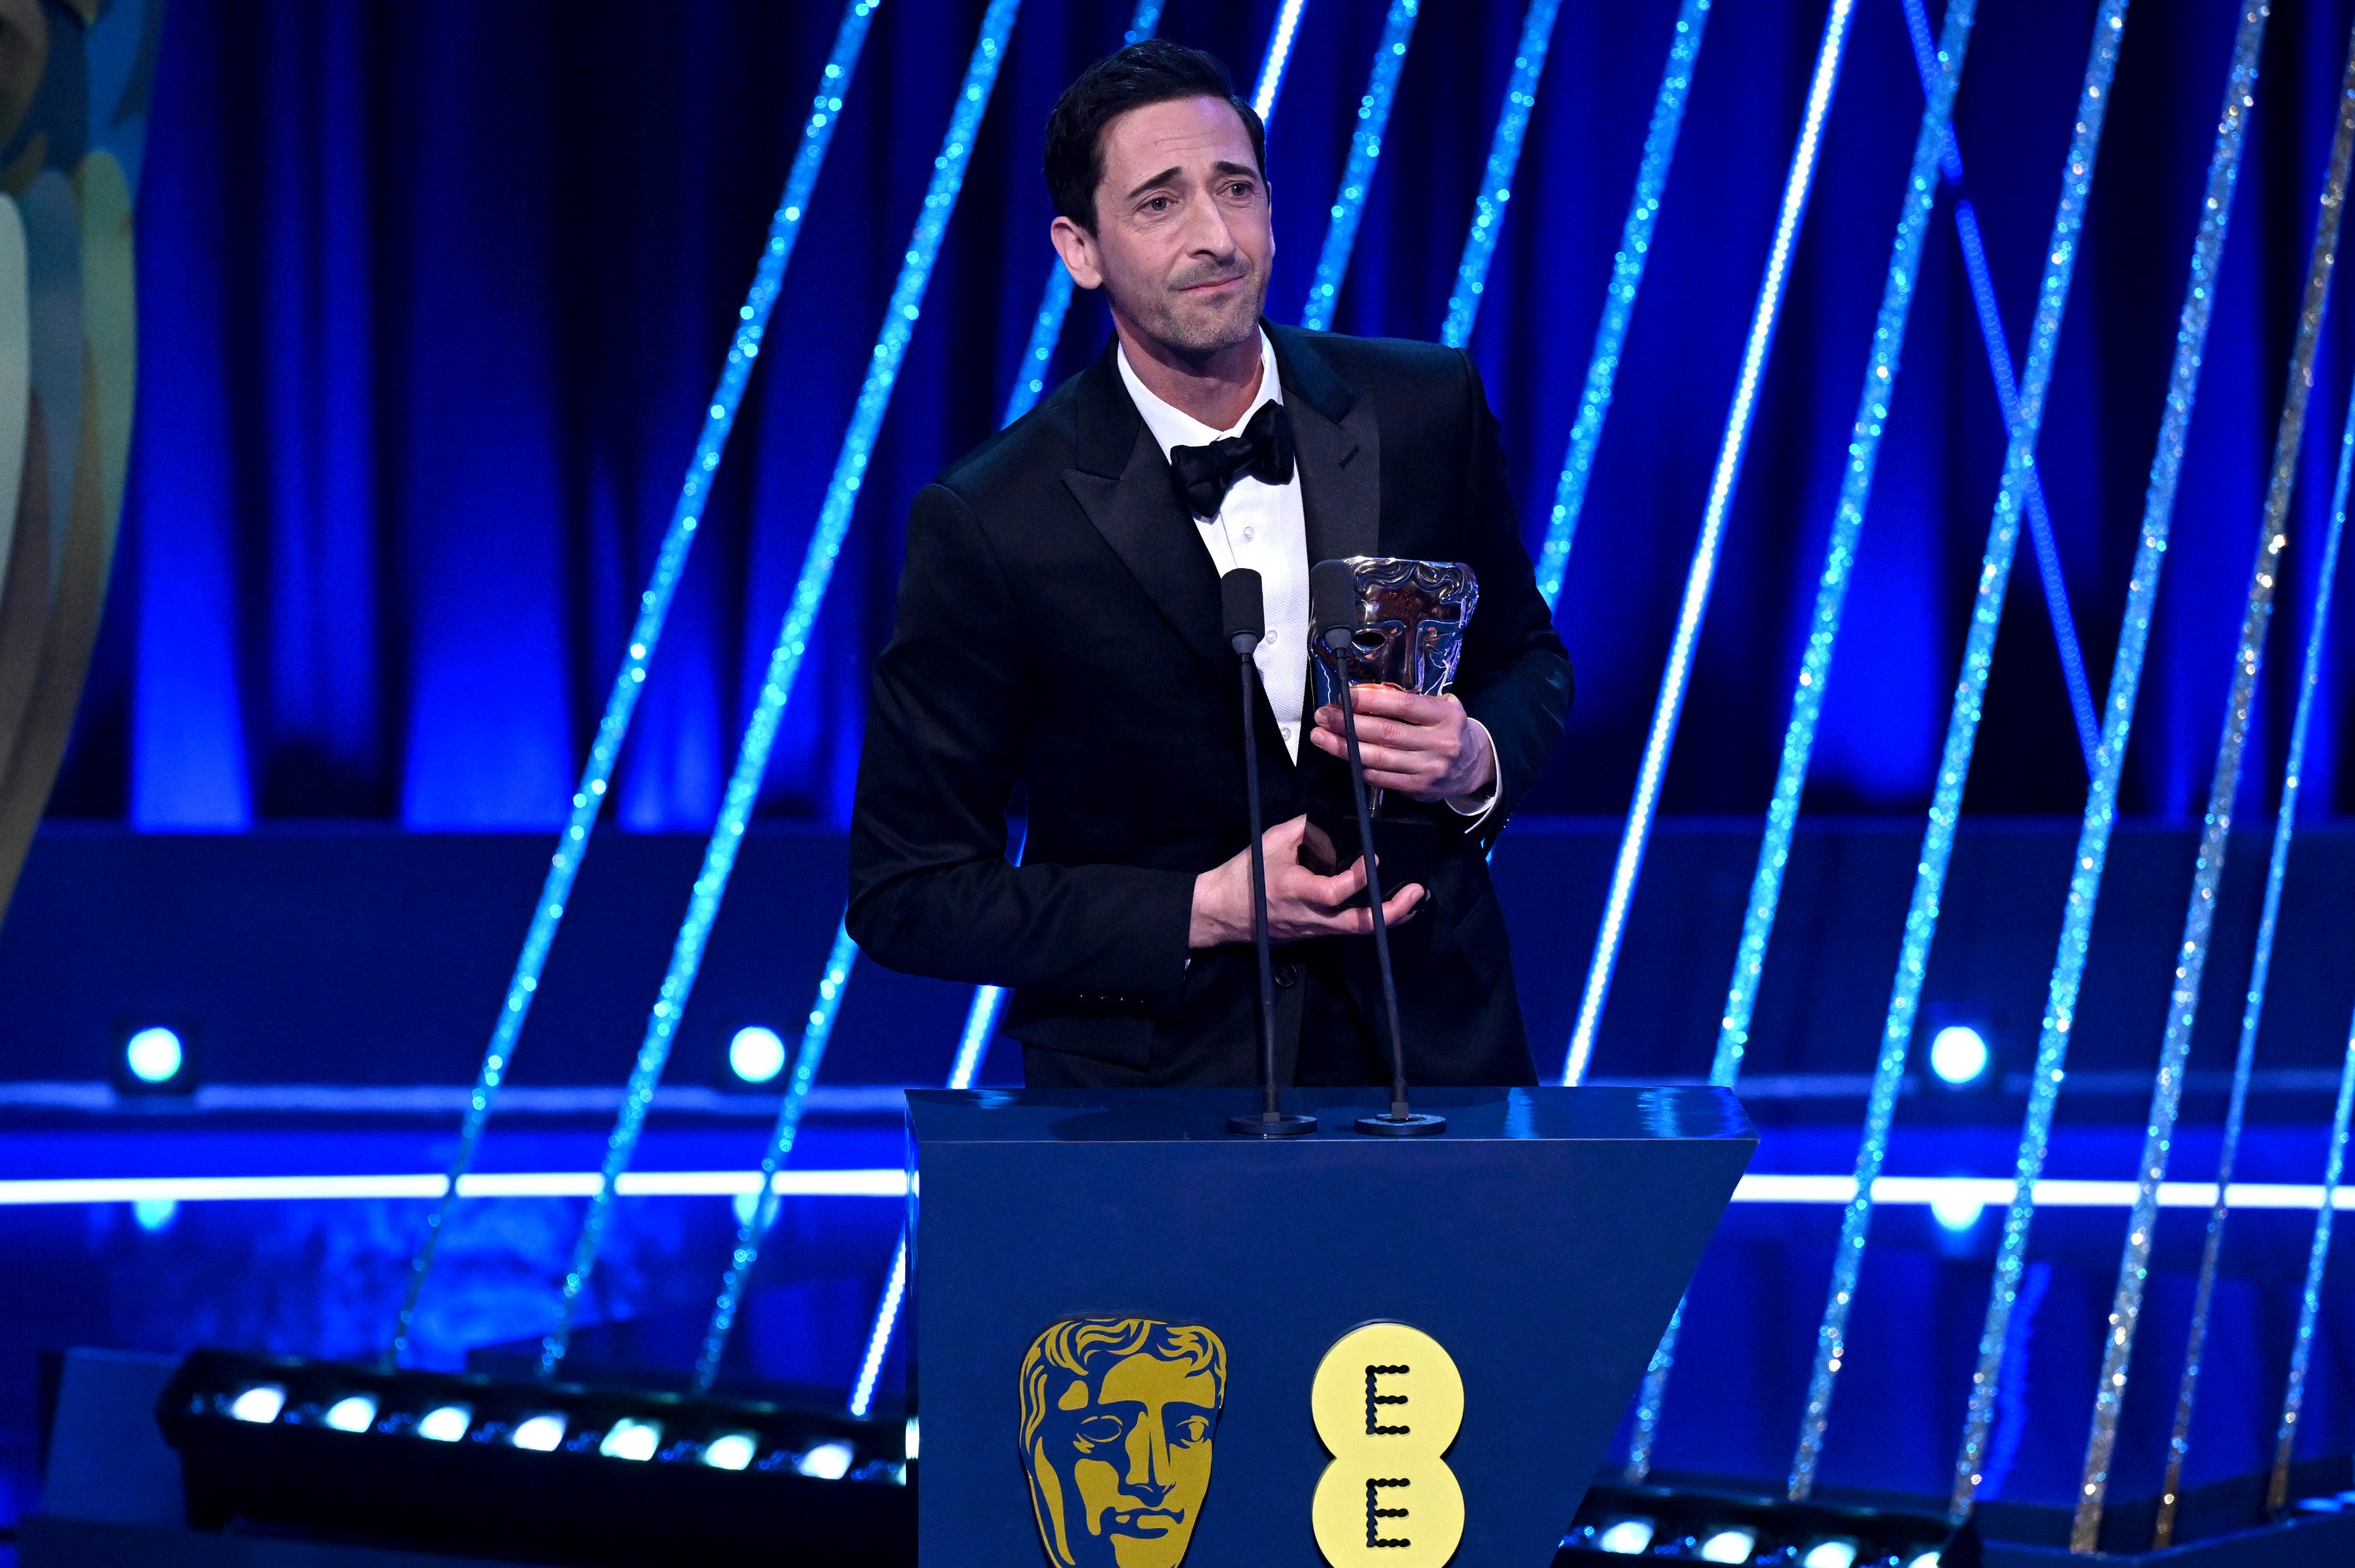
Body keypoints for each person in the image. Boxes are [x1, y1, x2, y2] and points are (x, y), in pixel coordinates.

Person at [846, 40, 1570, 1089]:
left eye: (1237, 190)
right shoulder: (994, 517)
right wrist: (1202, 908)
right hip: (1147, 1103)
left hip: (1435, 1064)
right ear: (1079, 247)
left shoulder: (1425, 409)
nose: (1216, 236)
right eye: (1159, 203)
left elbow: (1529, 658)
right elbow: (906, 891)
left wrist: (1475, 761)